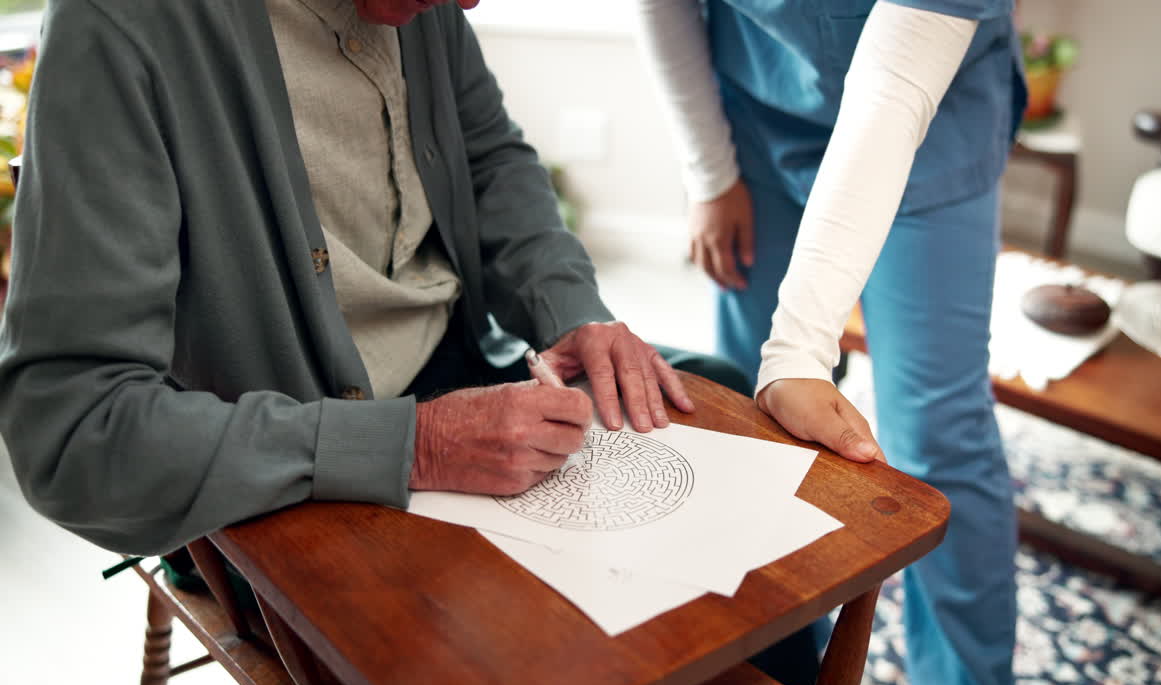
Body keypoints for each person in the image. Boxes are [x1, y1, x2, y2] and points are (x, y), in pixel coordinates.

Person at [0, 0, 752, 560]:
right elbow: (71, 432)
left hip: (455, 370)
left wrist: (571, 311)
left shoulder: (425, 8)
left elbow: (490, 156)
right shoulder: (118, 24)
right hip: (271, 478)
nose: (471, 4)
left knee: (720, 418)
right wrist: (414, 446)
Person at [635, 0, 1028, 685]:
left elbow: (894, 83)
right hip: (756, 102)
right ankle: (778, 668)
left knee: (939, 436)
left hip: (931, 112)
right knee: (758, 431)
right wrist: (710, 172)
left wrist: (800, 349)